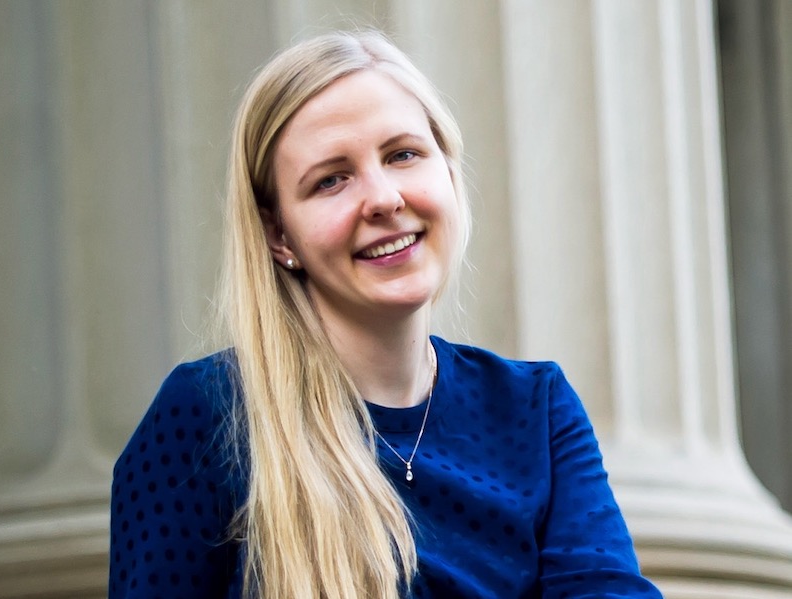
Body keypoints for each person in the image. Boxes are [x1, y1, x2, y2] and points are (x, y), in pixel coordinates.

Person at [108, 30, 662, 599]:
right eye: (331, 179)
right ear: (278, 234)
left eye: (403, 155)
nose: (383, 198)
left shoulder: (534, 411)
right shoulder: (206, 419)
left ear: (447, 171)